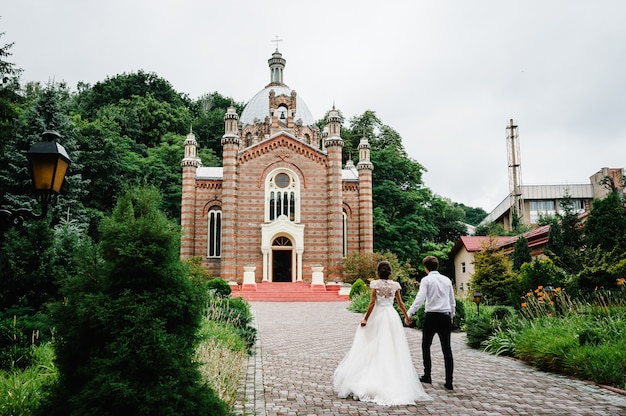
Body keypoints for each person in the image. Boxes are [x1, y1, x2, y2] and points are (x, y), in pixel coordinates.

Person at [333, 261, 432, 405]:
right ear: (390, 272)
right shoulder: (395, 285)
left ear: (378, 272)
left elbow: (372, 303)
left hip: (378, 316)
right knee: (393, 347)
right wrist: (406, 316)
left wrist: (365, 319)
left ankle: (372, 375)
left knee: (373, 345)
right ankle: (392, 377)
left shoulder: (375, 285)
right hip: (391, 316)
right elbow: (400, 303)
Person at [405, 255, 456, 390]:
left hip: (432, 316)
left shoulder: (426, 280)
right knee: (447, 349)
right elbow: (452, 300)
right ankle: (449, 381)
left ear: (426, 268)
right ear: (436, 266)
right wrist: (452, 315)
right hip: (445, 316)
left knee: (426, 345)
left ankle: (427, 375)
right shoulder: (446, 280)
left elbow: (420, 298)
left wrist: (409, 313)